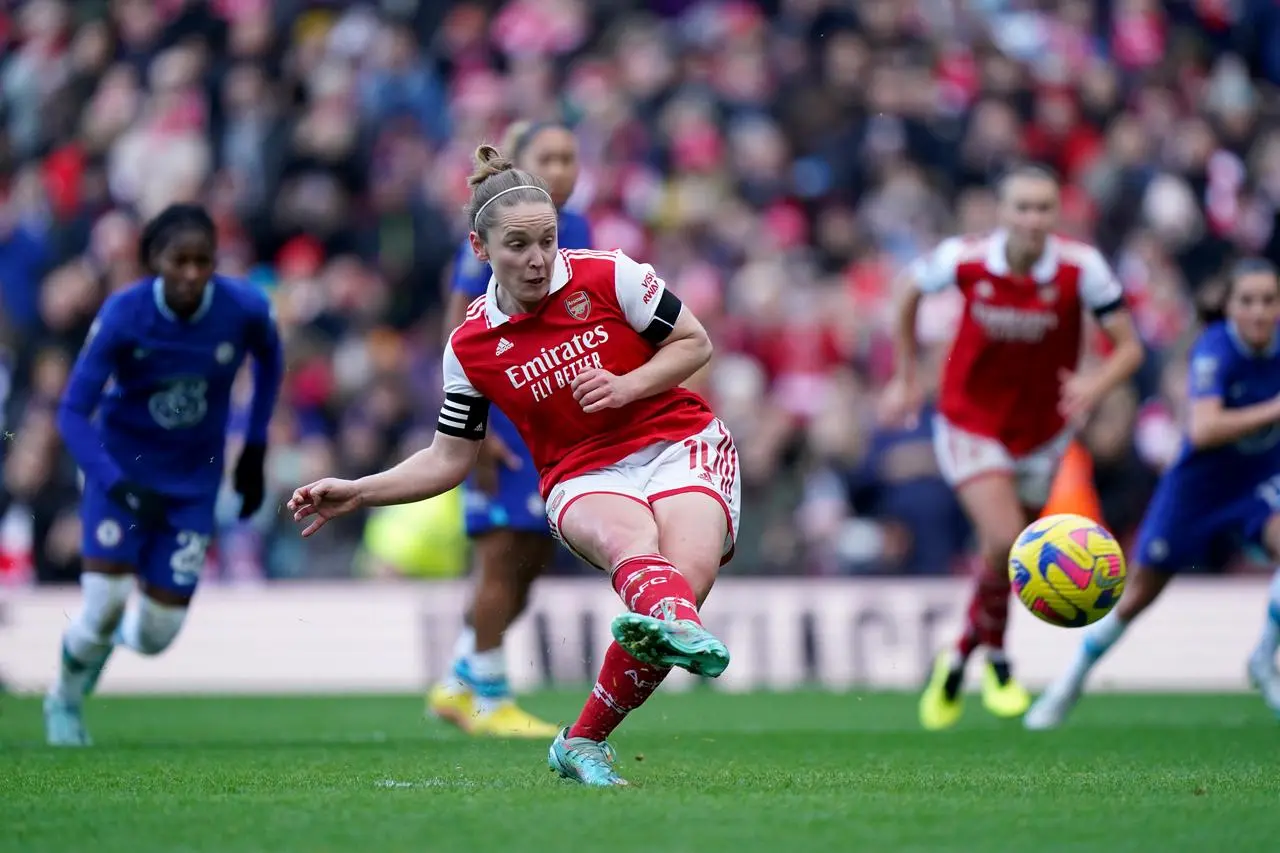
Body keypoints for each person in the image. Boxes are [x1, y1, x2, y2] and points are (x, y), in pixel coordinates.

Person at [290, 144, 739, 787]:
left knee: (682, 582)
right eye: (518, 246)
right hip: (581, 472)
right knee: (637, 555)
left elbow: (695, 341)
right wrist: (360, 491)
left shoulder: (612, 275)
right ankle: (671, 628)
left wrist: (627, 385)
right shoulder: (469, 347)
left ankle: (580, 741)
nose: (536, 260)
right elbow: (449, 458)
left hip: (679, 443)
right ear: (481, 249)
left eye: (547, 241)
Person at [883, 164, 1145, 730]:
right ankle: (1000, 660)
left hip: (1043, 430)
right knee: (1005, 539)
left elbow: (1130, 348)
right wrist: (905, 374)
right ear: (1003, 213)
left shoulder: (1082, 268)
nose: (1032, 219)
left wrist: (1093, 385)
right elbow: (906, 290)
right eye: (1022, 208)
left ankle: (956, 658)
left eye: (1043, 208)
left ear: (1056, 214)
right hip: (970, 419)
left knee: (1007, 555)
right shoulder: (967, 258)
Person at [45, 203, 284, 746]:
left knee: (157, 635)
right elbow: (71, 411)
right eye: (180, 261)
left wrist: (255, 447)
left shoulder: (242, 308)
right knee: (103, 603)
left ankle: (99, 651)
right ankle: (62, 697)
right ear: (154, 260)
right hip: (122, 473)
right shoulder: (125, 314)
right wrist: (115, 482)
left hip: (193, 482)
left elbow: (270, 358)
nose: (193, 273)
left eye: (204, 261)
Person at [1026, 258, 1280, 728]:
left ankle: (1264, 658)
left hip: (1258, 483)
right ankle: (1070, 682)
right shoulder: (1215, 349)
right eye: (1248, 301)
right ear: (1230, 307)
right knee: (1140, 594)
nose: (1260, 312)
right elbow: (1203, 429)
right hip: (1196, 489)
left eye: (1269, 301)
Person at [428, 120, 592, 739]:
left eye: (569, 157)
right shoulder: (500, 234)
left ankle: (459, 676)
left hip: (549, 418)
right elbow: (462, 332)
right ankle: (488, 695)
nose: (560, 170)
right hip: (502, 421)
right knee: (502, 560)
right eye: (546, 158)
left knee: (530, 560)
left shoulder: (577, 233)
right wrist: (479, 430)